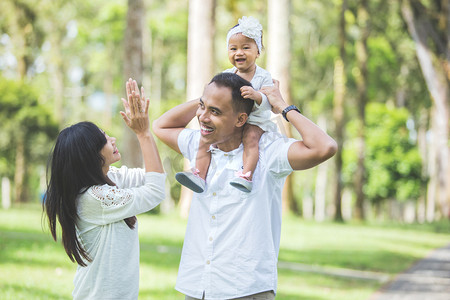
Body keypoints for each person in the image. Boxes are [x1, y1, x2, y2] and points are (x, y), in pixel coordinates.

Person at [152, 72, 337, 299]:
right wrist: (210, 97)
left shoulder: (269, 152)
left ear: (241, 119)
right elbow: (160, 126)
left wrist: (283, 107)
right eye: (202, 107)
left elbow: (325, 147)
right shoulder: (199, 144)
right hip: (198, 285)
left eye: (215, 112)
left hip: (246, 288)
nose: (202, 117)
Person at [43, 79, 166, 300]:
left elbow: (153, 175)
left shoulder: (110, 178)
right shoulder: (95, 197)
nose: (112, 139)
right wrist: (144, 133)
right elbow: (155, 191)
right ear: (90, 155)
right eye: (104, 139)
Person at [175, 16, 276, 193]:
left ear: (258, 52)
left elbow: (270, 102)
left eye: (246, 48)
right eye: (233, 48)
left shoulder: (263, 76)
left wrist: (257, 96)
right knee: (206, 137)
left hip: (255, 121)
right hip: (231, 122)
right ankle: (199, 174)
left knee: (251, 139)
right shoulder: (228, 74)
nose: (239, 53)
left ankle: (246, 174)